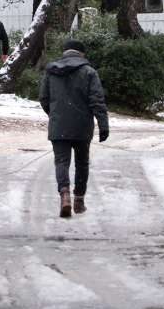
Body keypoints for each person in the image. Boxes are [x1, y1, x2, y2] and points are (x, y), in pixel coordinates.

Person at [39, 38, 109, 218]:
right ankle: (79, 201)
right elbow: (97, 101)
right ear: (82, 54)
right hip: (82, 126)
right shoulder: (89, 72)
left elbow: (43, 99)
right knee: (82, 162)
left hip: (59, 125)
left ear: (64, 52)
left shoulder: (51, 71)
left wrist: (55, 114)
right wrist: (103, 125)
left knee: (61, 162)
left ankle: (64, 196)